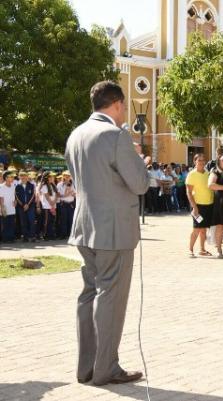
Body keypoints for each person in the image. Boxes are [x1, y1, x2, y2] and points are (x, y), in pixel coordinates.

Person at [65, 81, 149, 386]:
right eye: (124, 106)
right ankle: (106, 368)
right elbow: (140, 184)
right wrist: (140, 160)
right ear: (116, 104)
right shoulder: (115, 135)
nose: (124, 112)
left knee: (90, 293)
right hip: (113, 229)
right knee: (110, 297)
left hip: (85, 226)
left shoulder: (76, 134)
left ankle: (86, 367)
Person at [185, 153, 214, 257]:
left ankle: (202, 250)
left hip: (209, 205)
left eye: (203, 160)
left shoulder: (208, 173)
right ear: (195, 162)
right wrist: (195, 207)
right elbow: (188, 192)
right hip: (198, 206)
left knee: (203, 229)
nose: (201, 162)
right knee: (196, 229)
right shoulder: (191, 174)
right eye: (199, 160)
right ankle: (190, 250)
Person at [15, 171, 36, 242]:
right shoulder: (17, 186)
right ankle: (25, 237)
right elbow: (17, 197)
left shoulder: (31, 185)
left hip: (31, 206)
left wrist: (28, 204)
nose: (23, 177)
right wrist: (23, 205)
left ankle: (32, 236)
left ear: (27, 177)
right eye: (22, 176)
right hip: (21, 207)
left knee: (31, 221)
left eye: (25, 176)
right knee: (23, 222)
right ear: (19, 177)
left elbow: (33, 196)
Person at [57, 171, 76, 239]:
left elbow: (74, 194)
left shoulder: (72, 184)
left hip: (71, 203)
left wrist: (72, 193)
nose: (68, 177)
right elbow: (59, 195)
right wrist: (67, 193)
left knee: (71, 219)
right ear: (63, 176)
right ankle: (63, 234)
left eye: (69, 176)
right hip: (63, 204)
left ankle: (71, 234)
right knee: (63, 219)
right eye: (66, 176)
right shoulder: (59, 184)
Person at [39, 171, 58, 240]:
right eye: (51, 176)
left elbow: (57, 194)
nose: (53, 178)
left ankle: (51, 234)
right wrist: (51, 203)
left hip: (53, 205)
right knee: (47, 221)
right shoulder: (44, 186)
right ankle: (45, 235)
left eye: (53, 176)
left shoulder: (53, 185)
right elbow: (47, 196)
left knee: (52, 221)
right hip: (47, 206)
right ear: (47, 178)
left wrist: (54, 202)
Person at [0, 170, 17, 242]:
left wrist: (15, 202)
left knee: (11, 223)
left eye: (13, 177)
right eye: (11, 177)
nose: (13, 178)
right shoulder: (1, 186)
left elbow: (14, 196)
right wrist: (2, 208)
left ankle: (11, 238)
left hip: (12, 208)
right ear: (6, 178)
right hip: (5, 208)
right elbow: (1, 198)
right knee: (5, 224)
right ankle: (5, 239)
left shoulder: (13, 186)